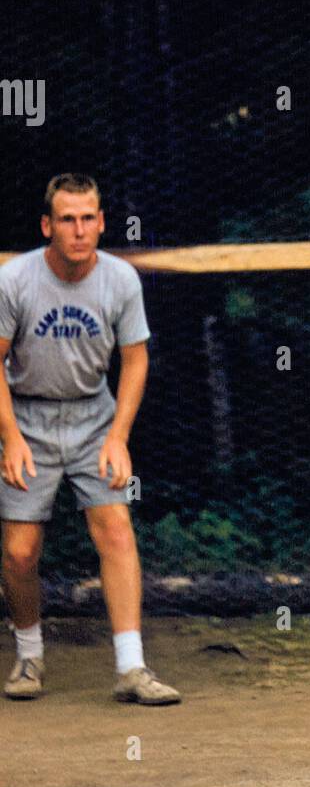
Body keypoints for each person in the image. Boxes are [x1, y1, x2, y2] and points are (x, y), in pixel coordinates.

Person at [0, 173, 179, 705]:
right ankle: (30, 656)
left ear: (101, 223)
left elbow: (136, 359)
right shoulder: (16, 280)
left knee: (116, 530)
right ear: (47, 226)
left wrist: (118, 436)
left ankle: (131, 668)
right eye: (67, 219)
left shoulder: (121, 280)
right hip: (27, 415)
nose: (78, 230)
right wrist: (10, 438)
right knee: (20, 549)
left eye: (87, 219)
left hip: (93, 417)